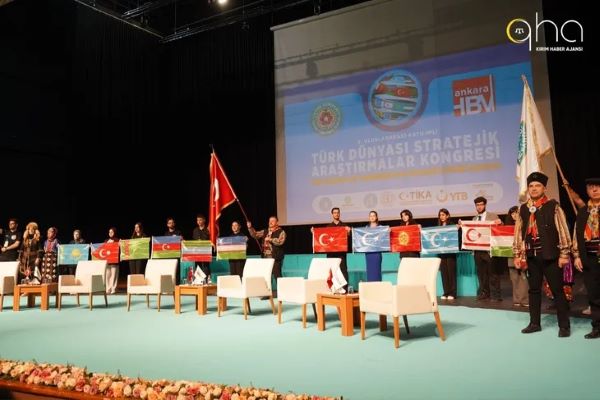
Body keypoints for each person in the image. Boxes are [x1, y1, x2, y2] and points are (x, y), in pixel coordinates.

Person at [513, 171, 572, 337]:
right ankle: (534, 323)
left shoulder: (553, 206)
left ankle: (564, 326)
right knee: (533, 290)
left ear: (544, 188)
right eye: (531, 186)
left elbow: (563, 230)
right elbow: (518, 232)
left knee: (558, 290)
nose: (534, 188)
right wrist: (517, 254)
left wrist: (564, 254)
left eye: (537, 186)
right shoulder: (523, 209)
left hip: (550, 256)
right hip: (532, 256)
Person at [572, 177, 600, 339]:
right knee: (594, 294)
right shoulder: (583, 212)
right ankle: (597, 327)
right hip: (589, 258)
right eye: (591, 187)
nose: (594, 190)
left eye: (597, 187)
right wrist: (576, 256)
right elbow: (577, 234)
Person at [469, 196, 500, 301]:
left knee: (493, 273)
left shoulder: (492, 216)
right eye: (477, 205)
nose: (479, 207)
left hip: (489, 249)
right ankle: (485, 293)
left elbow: (500, 228)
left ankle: (496, 295)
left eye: (481, 204)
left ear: (485, 205)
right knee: (481, 274)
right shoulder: (474, 219)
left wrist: (500, 223)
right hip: (478, 250)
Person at [504, 206, 529, 307]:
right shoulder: (506, 227)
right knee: (514, 278)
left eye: (516, 213)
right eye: (512, 213)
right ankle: (517, 299)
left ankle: (525, 300)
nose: (514, 215)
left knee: (523, 277)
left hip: (523, 255)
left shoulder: (525, 225)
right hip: (511, 255)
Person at [247, 216, 286, 281]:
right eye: (269, 221)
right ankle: (267, 287)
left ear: (277, 223)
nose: (270, 222)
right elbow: (255, 234)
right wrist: (250, 228)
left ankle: (281, 287)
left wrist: (270, 239)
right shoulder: (265, 231)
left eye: (272, 221)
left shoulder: (281, 232)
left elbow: (280, 241)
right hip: (265, 256)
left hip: (275, 256)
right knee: (267, 275)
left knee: (277, 275)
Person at [438, 209, 457, 300]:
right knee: (444, 273)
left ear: (447, 215)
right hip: (442, 253)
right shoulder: (438, 227)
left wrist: (457, 228)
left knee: (451, 273)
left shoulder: (452, 226)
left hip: (450, 253)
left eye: (443, 215)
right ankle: (446, 292)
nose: (441, 217)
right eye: (440, 215)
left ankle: (453, 293)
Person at [365, 210, 383, 282]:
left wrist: (388, 231)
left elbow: (384, 237)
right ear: (369, 218)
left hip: (377, 253)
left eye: (373, 216)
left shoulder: (381, 227)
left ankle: (378, 286)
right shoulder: (366, 228)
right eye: (370, 216)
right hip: (369, 253)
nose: (372, 217)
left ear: (376, 217)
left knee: (377, 270)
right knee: (370, 270)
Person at [192, 214, 211, 278]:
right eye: (197, 220)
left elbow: (210, 240)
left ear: (204, 220)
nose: (199, 222)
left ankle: (206, 280)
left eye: (200, 220)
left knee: (206, 266)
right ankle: (198, 280)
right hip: (197, 252)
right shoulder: (195, 230)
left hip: (206, 251)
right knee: (198, 266)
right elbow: (193, 241)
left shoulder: (208, 230)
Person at [104, 227, 120, 294]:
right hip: (107, 261)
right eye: (109, 232)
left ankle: (113, 288)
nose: (110, 233)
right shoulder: (106, 240)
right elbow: (102, 249)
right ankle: (108, 289)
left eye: (112, 232)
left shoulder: (118, 240)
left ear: (114, 232)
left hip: (114, 261)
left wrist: (120, 244)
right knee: (107, 275)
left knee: (114, 275)